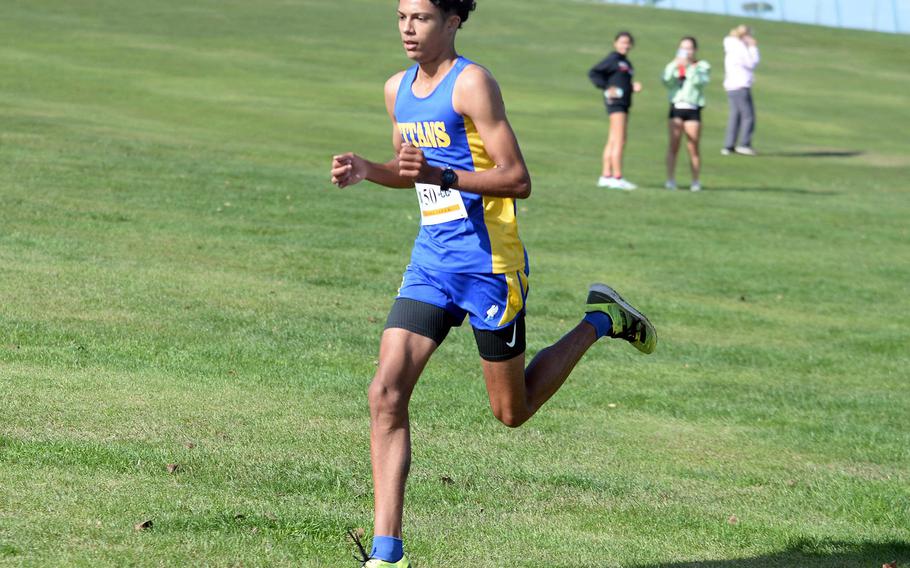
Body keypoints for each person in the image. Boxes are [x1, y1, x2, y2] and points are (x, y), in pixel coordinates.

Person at [330, 1, 658, 566]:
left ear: (453, 21)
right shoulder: (396, 89)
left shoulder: (473, 84)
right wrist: (370, 170)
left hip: (489, 267)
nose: (408, 28)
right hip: (432, 262)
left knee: (513, 411)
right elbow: (409, 169)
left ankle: (602, 319)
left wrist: (446, 175)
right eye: (402, 16)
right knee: (385, 393)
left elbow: (518, 178)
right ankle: (387, 554)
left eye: (422, 17)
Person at [588, 31, 642, 191]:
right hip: (616, 103)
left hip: (624, 103)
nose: (625, 45)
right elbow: (594, 72)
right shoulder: (613, 59)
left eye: (627, 42)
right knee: (619, 139)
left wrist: (632, 87)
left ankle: (606, 176)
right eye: (622, 42)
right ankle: (617, 177)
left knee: (613, 140)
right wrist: (606, 87)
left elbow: (621, 81)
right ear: (615, 43)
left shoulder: (626, 63)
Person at [661, 36, 710, 192]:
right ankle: (670, 180)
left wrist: (690, 67)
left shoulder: (701, 66)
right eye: (683, 48)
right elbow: (666, 81)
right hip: (676, 107)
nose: (686, 51)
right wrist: (676, 65)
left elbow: (700, 82)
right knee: (673, 145)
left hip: (693, 108)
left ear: (694, 50)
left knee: (693, 146)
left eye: (689, 48)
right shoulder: (674, 65)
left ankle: (695, 181)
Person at [722, 25, 760, 156]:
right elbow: (752, 62)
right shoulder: (739, 46)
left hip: (731, 85)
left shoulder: (730, 45)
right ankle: (744, 144)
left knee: (735, 116)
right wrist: (753, 47)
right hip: (741, 84)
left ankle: (729, 145)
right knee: (748, 116)